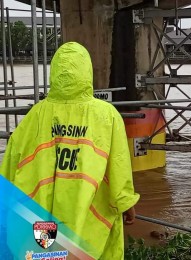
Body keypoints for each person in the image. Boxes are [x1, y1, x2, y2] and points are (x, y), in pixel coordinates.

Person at [0, 42, 139, 259]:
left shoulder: (33, 117)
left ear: (54, 72)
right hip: (88, 214)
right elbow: (119, 165)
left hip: (42, 217)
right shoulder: (107, 116)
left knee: (47, 255)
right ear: (87, 72)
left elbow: (10, 166)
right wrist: (126, 202)